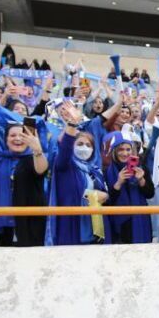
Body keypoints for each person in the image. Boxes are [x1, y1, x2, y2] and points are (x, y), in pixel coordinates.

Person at [48, 101, 108, 245]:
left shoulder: (96, 170)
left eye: (88, 145)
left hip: (94, 229)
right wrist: (72, 124)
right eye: (80, 144)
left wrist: (104, 196)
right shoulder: (65, 164)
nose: (84, 148)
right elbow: (65, 148)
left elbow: (105, 193)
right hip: (71, 229)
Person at [0, 122, 49, 247]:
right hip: (2, 223)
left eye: (22, 135)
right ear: (6, 139)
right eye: (12, 135)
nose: (17, 139)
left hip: (29, 223)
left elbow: (41, 170)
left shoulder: (35, 158)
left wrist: (37, 150)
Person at [103, 132, 155, 245]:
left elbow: (150, 194)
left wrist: (141, 180)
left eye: (128, 149)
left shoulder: (141, 168)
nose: (125, 153)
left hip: (140, 220)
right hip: (119, 225)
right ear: (114, 151)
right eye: (121, 149)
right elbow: (107, 202)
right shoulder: (107, 171)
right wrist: (118, 183)